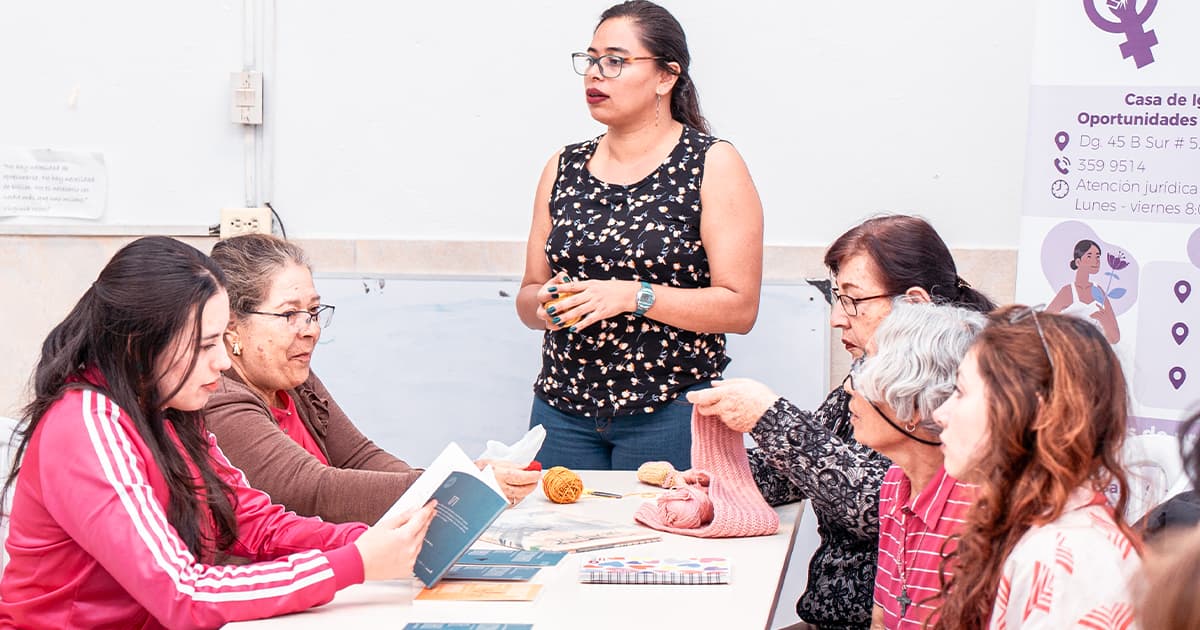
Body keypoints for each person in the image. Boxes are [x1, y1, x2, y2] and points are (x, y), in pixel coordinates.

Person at [0, 236, 436, 628]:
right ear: (140, 343)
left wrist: (376, 543)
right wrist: (354, 563)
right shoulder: (87, 424)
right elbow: (184, 592)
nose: (224, 362)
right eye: (205, 345)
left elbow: (254, 524)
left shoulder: (170, 410)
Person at [687, 214, 995, 628]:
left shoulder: (953, 392)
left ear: (916, 305)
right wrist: (711, 479)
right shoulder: (865, 373)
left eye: (853, 300)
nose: (835, 317)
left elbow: (873, 502)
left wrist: (771, 416)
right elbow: (795, 472)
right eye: (837, 296)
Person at [516, 0, 764, 471]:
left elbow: (740, 308)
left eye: (614, 61)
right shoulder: (563, 166)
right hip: (561, 411)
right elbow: (527, 297)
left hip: (671, 410)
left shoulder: (712, 164)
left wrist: (634, 296)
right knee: (554, 541)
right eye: (589, 60)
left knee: (662, 542)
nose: (595, 75)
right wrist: (544, 303)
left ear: (666, 77)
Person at [204, 234, 539, 524]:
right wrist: (451, 485)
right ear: (232, 326)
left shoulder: (294, 377)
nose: (311, 330)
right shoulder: (219, 396)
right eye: (290, 314)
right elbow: (314, 490)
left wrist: (446, 484)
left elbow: (360, 457)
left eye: (314, 311)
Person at [932, 306, 1142, 629]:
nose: (939, 414)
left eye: (960, 391)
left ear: (1035, 412)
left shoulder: (1068, 559)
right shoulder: (1043, 531)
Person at [845, 301, 984, 629]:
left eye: (869, 368)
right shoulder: (896, 481)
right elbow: (881, 619)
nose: (851, 386)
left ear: (917, 406)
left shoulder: (977, 512)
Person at [1046, 238, 1120, 344]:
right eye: (1089, 256)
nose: (1095, 260)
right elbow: (1044, 324)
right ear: (1078, 261)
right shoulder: (1067, 292)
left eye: (1097, 256)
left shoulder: (1099, 291)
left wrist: (1104, 320)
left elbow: (1115, 337)